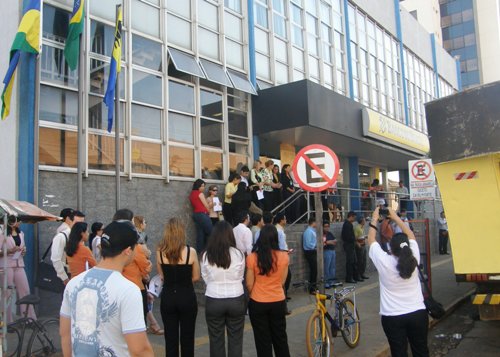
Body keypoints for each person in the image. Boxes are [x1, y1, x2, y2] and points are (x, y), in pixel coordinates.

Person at [60, 220, 154, 357]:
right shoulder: (128, 290)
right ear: (128, 251)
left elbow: (65, 333)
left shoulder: (73, 283)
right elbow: (139, 350)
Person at [367, 207, 429, 357]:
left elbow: (371, 240)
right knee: (421, 350)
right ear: (407, 246)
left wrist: (375, 218)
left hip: (392, 317)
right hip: (418, 314)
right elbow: (411, 235)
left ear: (390, 247)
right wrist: (395, 217)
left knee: (398, 352)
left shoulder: (384, 261)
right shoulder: (414, 257)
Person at [201, 221, 246, 357]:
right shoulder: (239, 254)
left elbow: (205, 277)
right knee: (236, 339)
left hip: (214, 298)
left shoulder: (206, 255)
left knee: (215, 340)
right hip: (236, 298)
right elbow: (240, 276)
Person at [157, 218, 200, 357]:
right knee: (188, 338)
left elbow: (162, 276)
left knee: (170, 339)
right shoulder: (191, 252)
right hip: (187, 295)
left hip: (168, 296)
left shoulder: (160, 251)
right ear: (182, 232)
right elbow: (196, 276)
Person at [246, 225, 291, 357]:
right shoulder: (284, 256)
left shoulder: (252, 258)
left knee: (262, 341)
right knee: (280, 338)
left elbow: (249, 284)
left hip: (258, 302)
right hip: (278, 301)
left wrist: (257, 292)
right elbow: (282, 281)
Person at [0, 217, 36, 321]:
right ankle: (6, 322)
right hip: (6, 265)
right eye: (16, 220)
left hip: (19, 264)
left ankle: (29, 318)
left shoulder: (21, 234)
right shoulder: (2, 234)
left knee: (25, 290)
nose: (19, 223)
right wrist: (10, 251)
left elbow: (22, 248)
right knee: (7, 293)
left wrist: (23, 251)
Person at [122, 226, 153, 328]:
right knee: (139, 318)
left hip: (122, 286)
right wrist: (149, 266)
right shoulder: (136, 248)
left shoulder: (119, 248)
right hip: (136, 285)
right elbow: (145, 266)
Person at [51, 208, 85, 285]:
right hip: (68, 273)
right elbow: (56, 258)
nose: (81, 226)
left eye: (82, 223)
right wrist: (64, 278)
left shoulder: (80, 235)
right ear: (70, 220)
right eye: (77, 223)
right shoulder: (62, 235)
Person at [190, 179, 214, 252]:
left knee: (200, 235)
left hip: (196, 215)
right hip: (202, 215)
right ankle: (212, 251)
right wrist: (211, 206)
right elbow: (206, 206)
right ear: (198, 186)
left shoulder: (192, 194)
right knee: (212, 232)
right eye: (202, 186)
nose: (203, 188)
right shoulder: (200, 194)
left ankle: (200, 253)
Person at [341, 211, 361, 283]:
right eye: (354, 217)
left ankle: (354, 276)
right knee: (350, 262)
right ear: (351, 216)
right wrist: (354, 239)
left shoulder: (349, 224)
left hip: (351, 245)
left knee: (354, 261)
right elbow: (347, 236)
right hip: (349, 245)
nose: (354, 219)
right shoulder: (347, 225)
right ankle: (349, 278)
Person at [302, 218, 318, 293]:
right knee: (313, 270)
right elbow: (308, 244)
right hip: (310, 252)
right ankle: (312, 288)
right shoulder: (308, 231)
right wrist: (315, 246)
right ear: (313, 222)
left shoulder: (312, 230)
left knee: (314, 270)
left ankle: (314, 286)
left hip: (313, 251)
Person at [322, 221, 338, 288]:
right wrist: (328, 242)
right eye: (325, 226)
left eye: (328, 226)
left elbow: (335, 241)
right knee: (327, 267)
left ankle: (332, 282)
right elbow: (323, 243)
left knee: (332, 267)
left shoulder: (330, 233)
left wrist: (328, 242)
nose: (327, 228)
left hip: (332, 251)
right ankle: (326, 282)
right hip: (326, 251)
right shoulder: (321, 234)